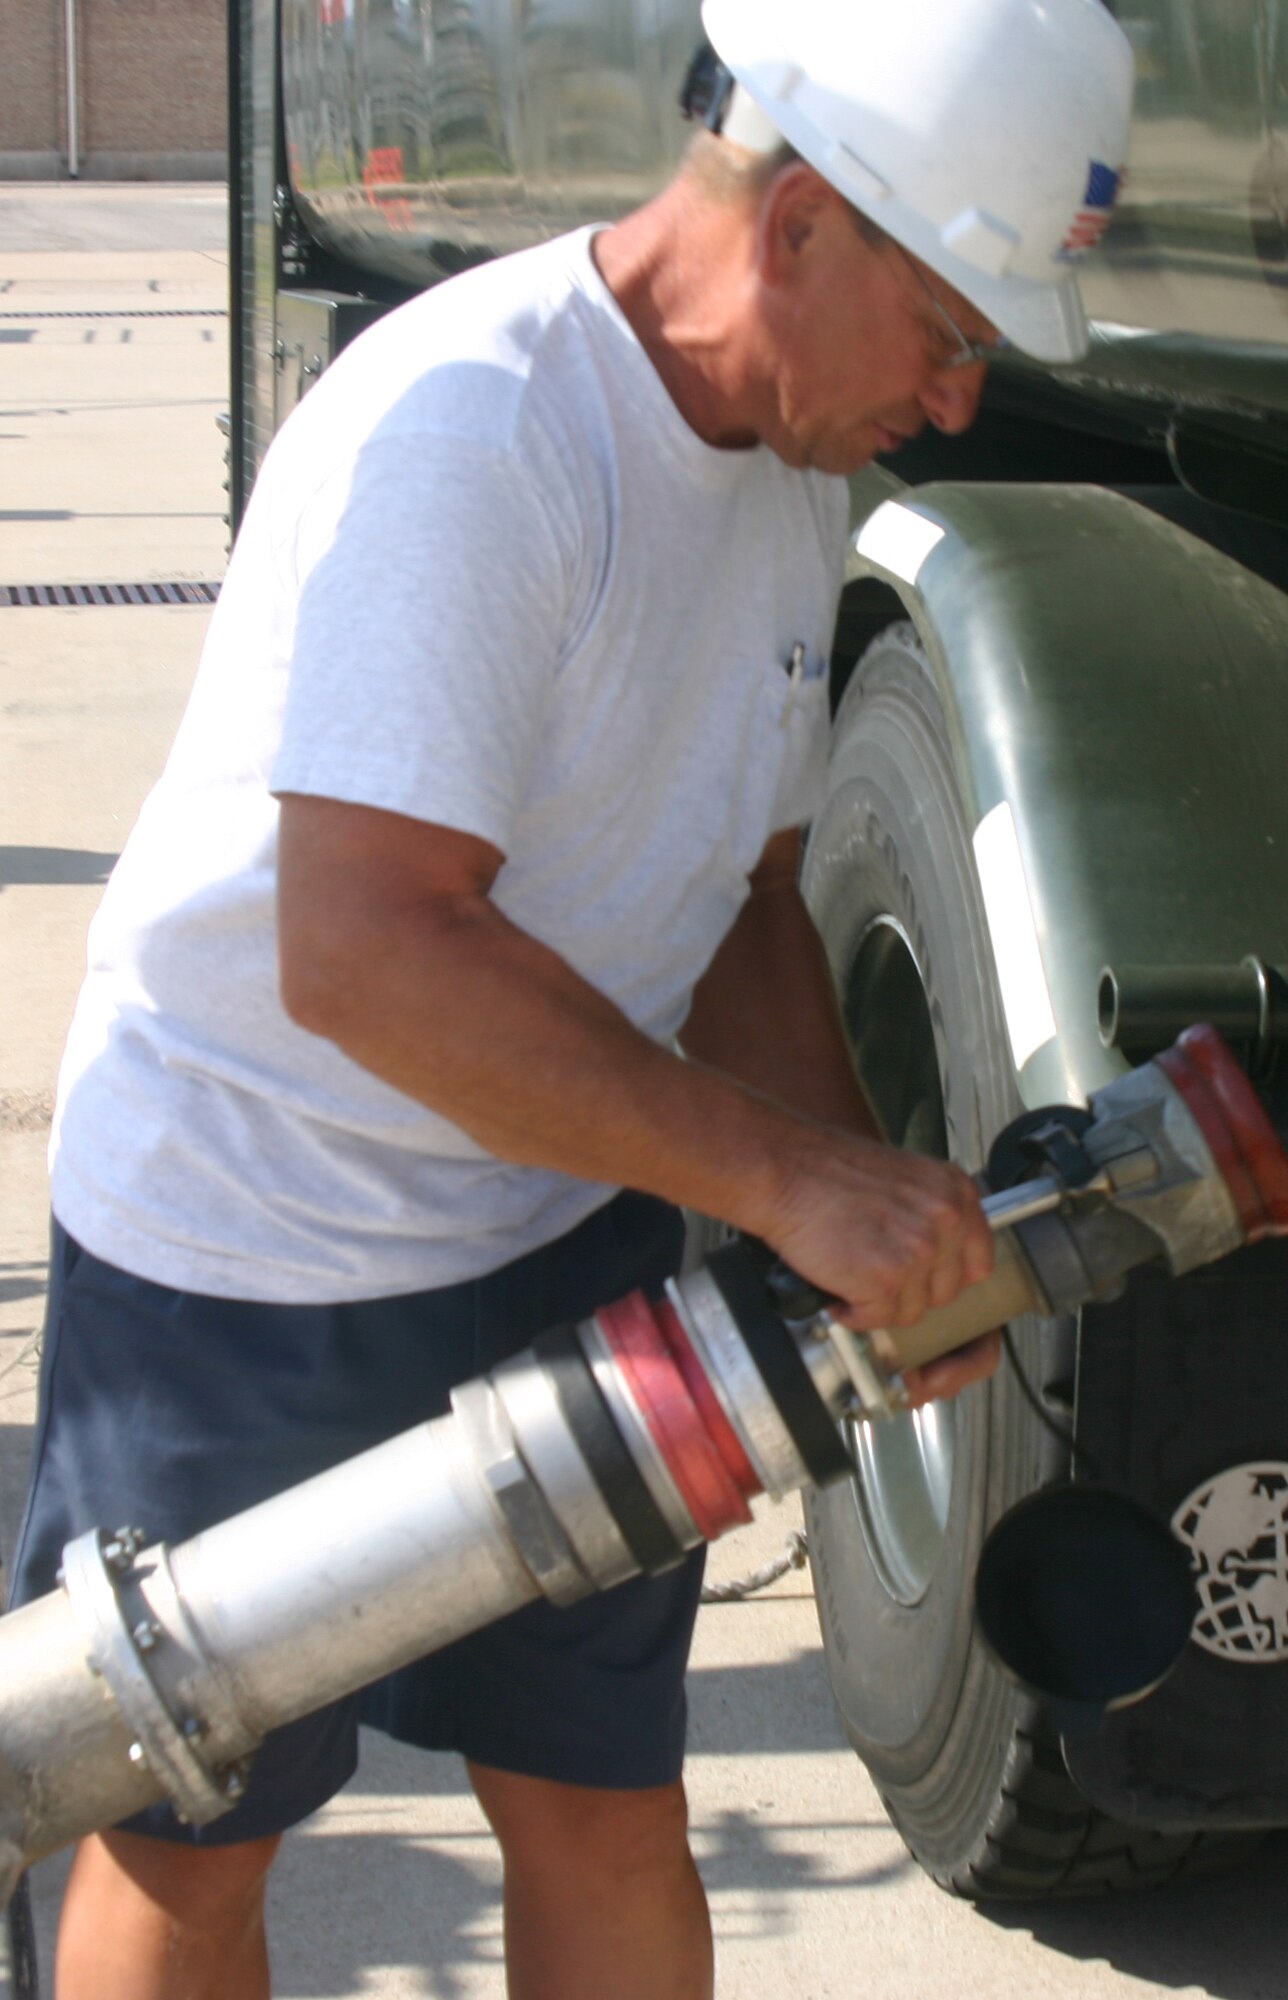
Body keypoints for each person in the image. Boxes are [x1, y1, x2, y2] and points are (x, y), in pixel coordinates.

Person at [8, 0, 1135, 1993]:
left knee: (598, 1795)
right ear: (794, 226)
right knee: (192, 1829)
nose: (956, 399)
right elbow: (363, 951)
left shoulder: (781, 472)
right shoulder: (481, 428)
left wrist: (854, 1230)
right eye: (947, 332)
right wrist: (782, 1187)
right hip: (255, 1249)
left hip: (555, 1216)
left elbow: (741, 901)